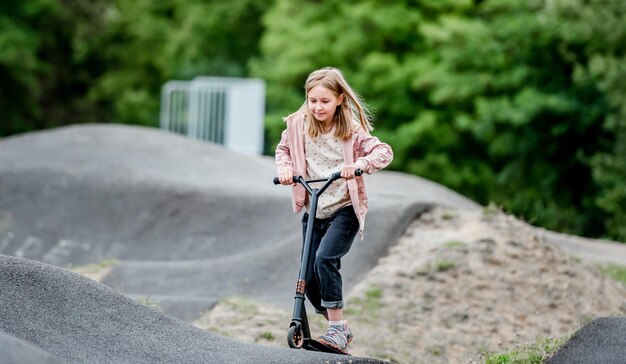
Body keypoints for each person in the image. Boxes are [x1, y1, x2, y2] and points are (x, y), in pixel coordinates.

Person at [275, 67, 393, 354]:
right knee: (309, 275)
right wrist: (286, 170)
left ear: (339, 99)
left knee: (325, 258)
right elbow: (284, 150)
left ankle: (337, 331)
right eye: (313, 100)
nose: (318, 107)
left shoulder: (350, 129)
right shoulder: (297, 124)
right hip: (315, 208)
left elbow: (383, 151)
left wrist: (361, 165)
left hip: (344, 208)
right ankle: (339, 327)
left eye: (325, 101)